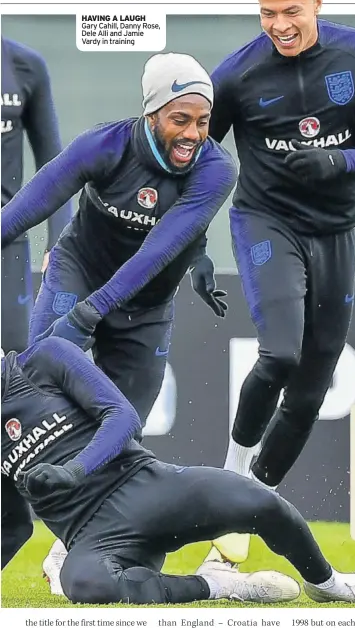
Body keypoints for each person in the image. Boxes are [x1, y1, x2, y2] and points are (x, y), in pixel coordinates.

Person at [1, 51, 237, 593]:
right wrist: (79, 306)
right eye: (180, 119)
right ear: (152, 112)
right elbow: (25, 208)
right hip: (75, 273)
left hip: (145, 305)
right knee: (31, 397)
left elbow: (157, 252)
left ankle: (74, 545)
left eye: (203, 122)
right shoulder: (104, 145)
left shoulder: (217, 170)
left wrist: (92, 314)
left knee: (121, 427)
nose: (193, 134)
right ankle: (11, 525)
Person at [206, 0, 355, 564]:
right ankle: (232, 476)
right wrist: (187, 249)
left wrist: (336, 161)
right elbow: (195, 163)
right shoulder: (235, 75)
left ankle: (249, 508)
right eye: (267, 13)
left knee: (313, 386)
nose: (279, 24)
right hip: (266, 222)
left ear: (318, 0)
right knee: (281, 352)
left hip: (336, 231)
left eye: (291, 10)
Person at [1, 338, 355, 606]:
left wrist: (73, 471)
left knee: (259, 502)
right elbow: (12, 527)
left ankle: (329, 584)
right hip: (95, 535)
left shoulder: (47, 358)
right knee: (87, 586)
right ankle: (222, 585)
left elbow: (123, 417)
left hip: (150, 486)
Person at [1, 37, 72, 354]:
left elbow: (55, 169)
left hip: (7, 244)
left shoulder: (24, 66)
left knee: (16, 366)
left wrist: (59, 243)